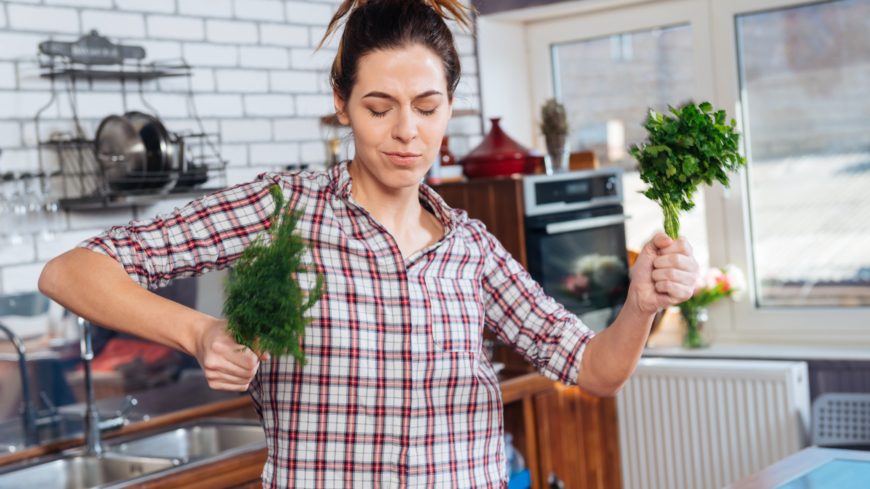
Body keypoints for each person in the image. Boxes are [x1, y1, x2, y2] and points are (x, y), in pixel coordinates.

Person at [38, 0, 700, 487]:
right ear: (341, 101)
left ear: (449, 106)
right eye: (380, 107)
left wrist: (640, 306)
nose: (407, 131)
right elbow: (71, 272)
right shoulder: (283, 212)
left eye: (427, 106)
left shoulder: (472, 249)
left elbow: (596, 369)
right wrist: (202, 333)